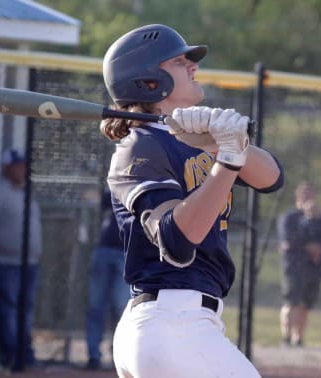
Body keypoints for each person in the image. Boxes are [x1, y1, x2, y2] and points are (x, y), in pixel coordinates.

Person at [101, 24, 284, 378]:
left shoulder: (191, 138)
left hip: (182, 325)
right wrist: (227, 159)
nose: (193, 67)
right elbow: (178, 241)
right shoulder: (139, 147)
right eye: (179, 62)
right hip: (172, 321)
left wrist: (219, 141)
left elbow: (272, 178)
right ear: (150, 82)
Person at [0, 148, 42, 371]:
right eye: (17, 165)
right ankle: (11, 355)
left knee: (25, 309)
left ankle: (24, 354)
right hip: (4, 262)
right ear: (7, 168)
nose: (22, 169)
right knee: (8, 309)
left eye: (24, 165)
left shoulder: (27, 190)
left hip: (29, 262)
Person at [277, 182, 321, 347]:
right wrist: (308, 245)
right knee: (291, 302)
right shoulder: (290, 217)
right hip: (294, 267)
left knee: (305, 304)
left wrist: (316, 221)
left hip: (313, 268)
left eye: (309, 195)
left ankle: (298, 338)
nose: (307, 198)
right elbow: (289, 239)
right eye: (303, 195)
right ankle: (286, 337)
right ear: (297, 196)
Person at [85, 189, 129, 370]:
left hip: (127, 253)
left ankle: (118, 355)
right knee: (96, 305)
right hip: (105, 249)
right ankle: (93, 356)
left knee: (120, 306)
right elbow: (97, 198)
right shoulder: (117, 181)